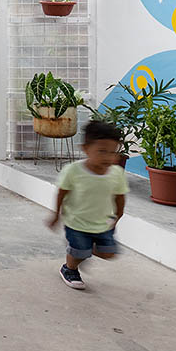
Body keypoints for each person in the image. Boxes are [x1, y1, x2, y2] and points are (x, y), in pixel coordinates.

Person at [47, 120, 127, 290]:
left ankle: (83, 248)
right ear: (85, 149)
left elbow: (120, 195)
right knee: (79, 252)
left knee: (109, 253)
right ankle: (69, 269)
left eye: (112, 152)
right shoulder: (74, 170)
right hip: (76, 222)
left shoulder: (116, 173)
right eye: (101, 151)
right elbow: (62, 192)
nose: (107, 157)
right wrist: (56, 214)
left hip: (102, 223)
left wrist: (119, 214)